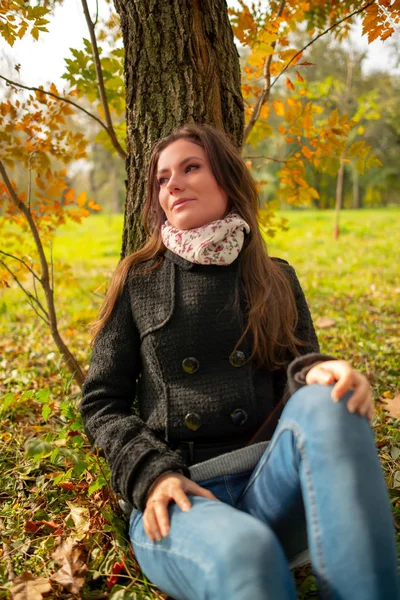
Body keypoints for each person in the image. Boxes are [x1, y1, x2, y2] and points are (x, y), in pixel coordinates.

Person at [80, 123, 399, 600]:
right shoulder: (137, 280)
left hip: (272, 481)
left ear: (227, 179)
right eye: (162, 179)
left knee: (330, 401)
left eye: (191, 167)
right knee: (246, 551)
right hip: (182, 496)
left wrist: (316, 371)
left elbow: (298, 365)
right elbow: (101, 402)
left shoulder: (274, 276)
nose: (174, 184)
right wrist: (152, 473)